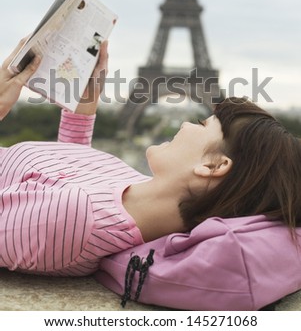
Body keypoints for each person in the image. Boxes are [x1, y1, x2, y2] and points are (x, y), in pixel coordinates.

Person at [1, 40, 301, 277]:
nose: (185, 123)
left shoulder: (76, 219)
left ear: (212, 166)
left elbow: (62, 208)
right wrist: (83, 108)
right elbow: (63, 179)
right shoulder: (137, 190)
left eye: (201, 124)